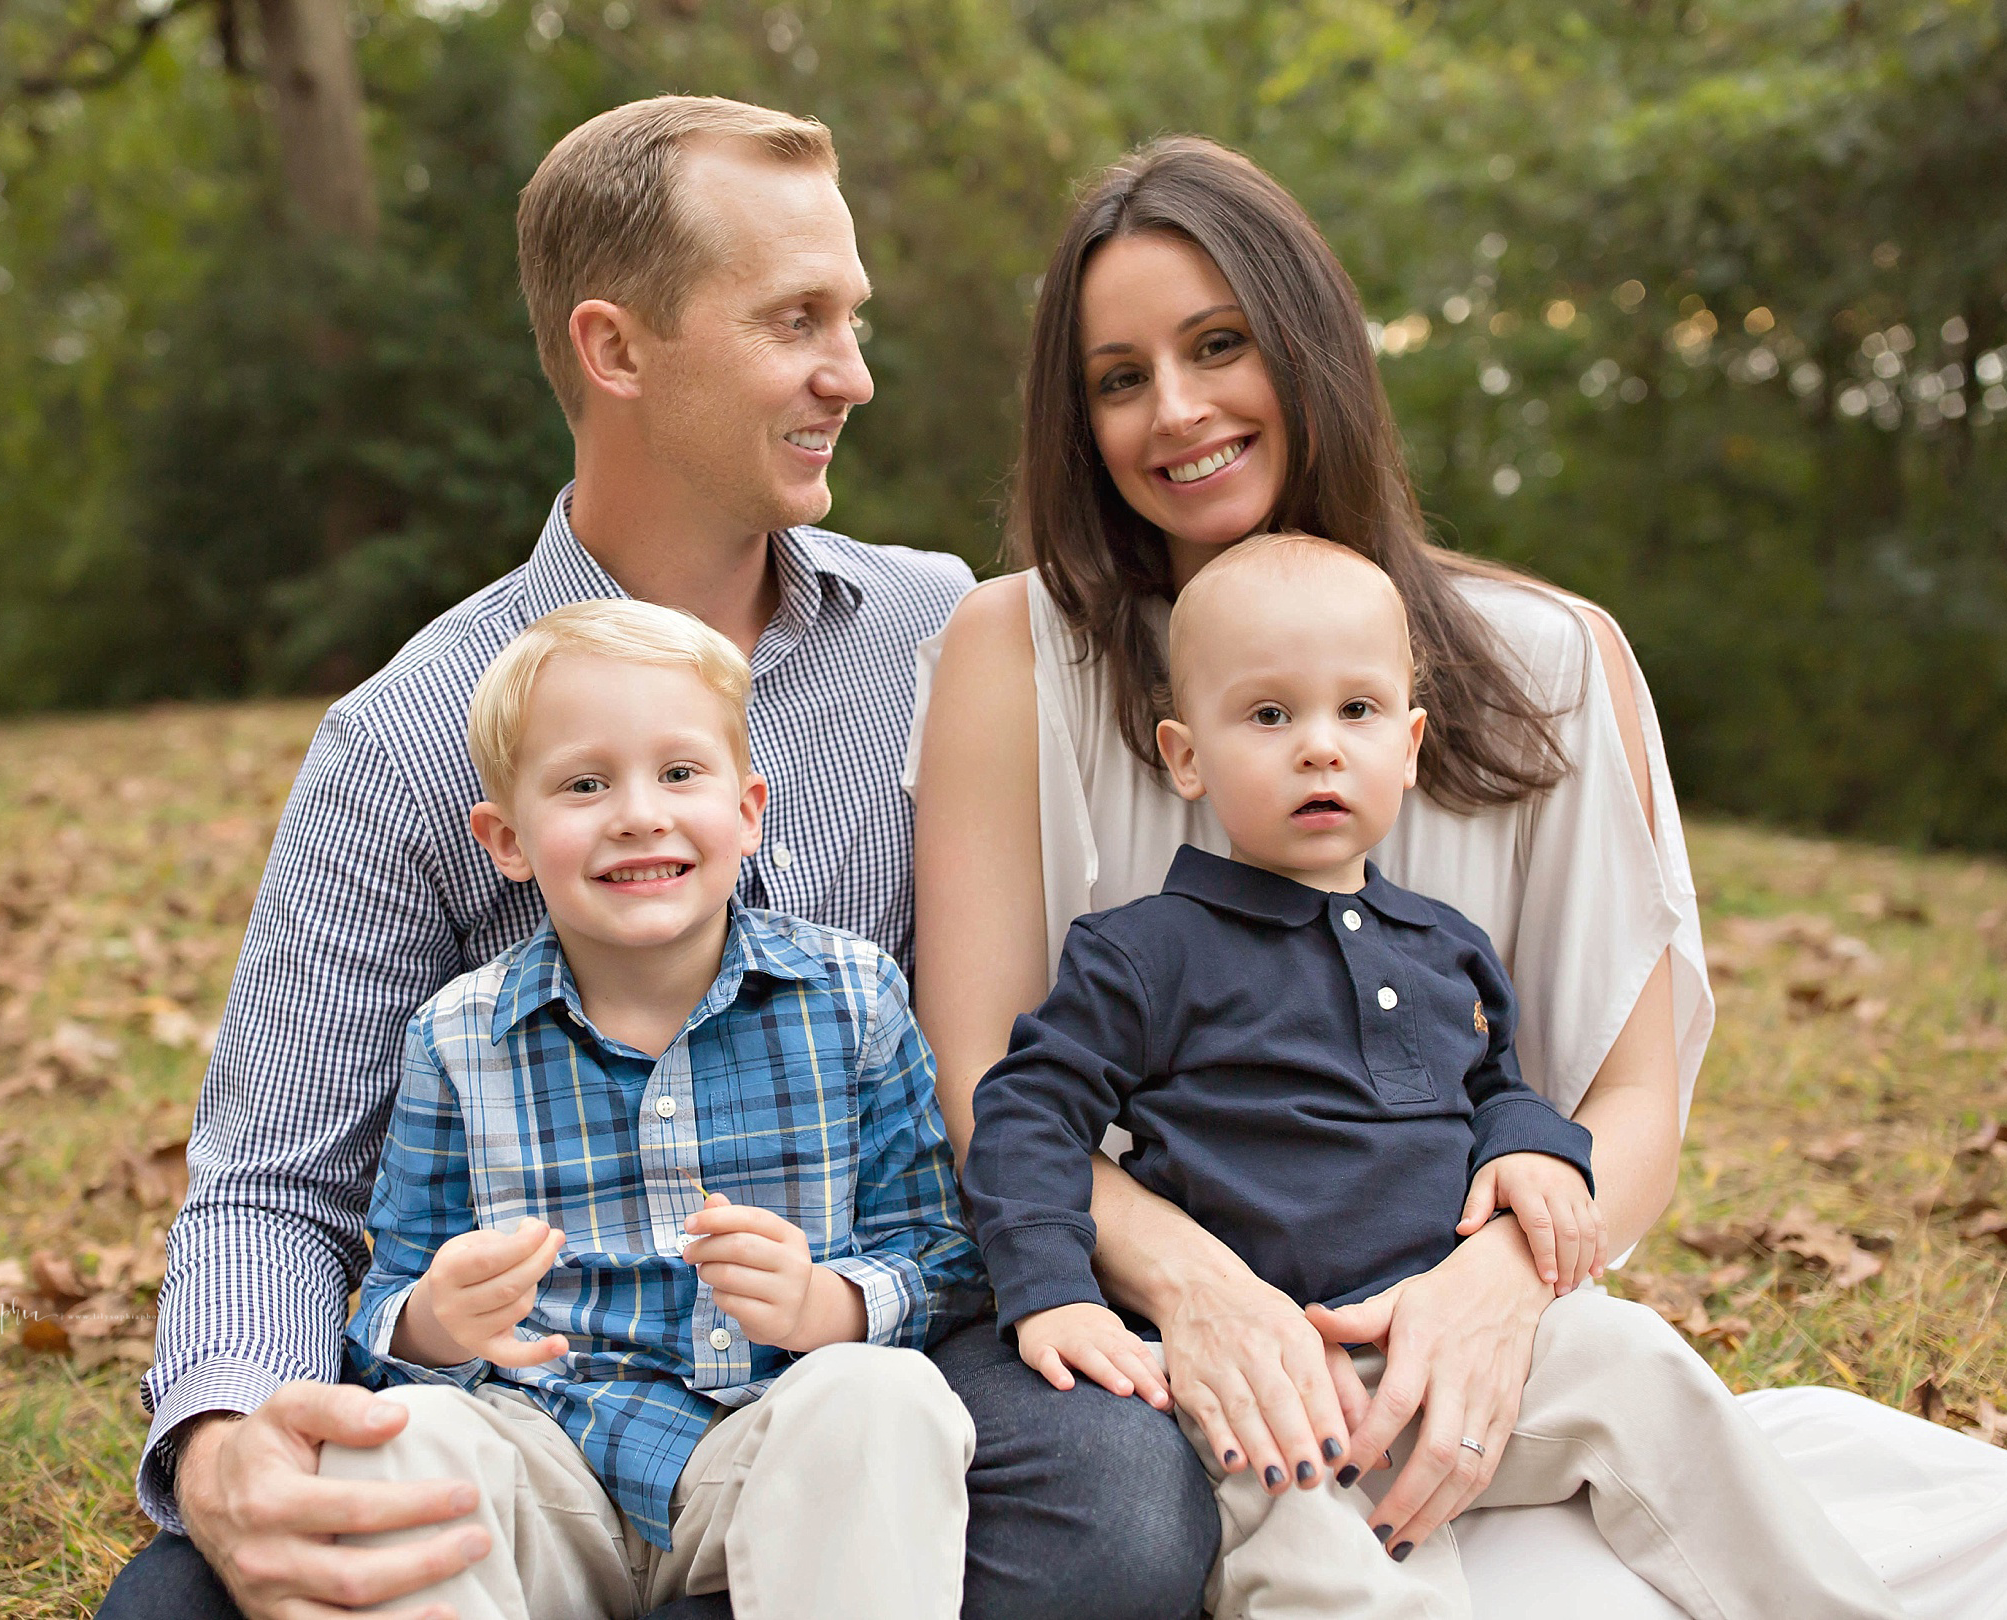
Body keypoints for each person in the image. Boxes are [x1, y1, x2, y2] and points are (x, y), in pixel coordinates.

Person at [911, 131, 2007, 1620]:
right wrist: (1199, 1292)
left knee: (1950, 1529)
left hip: (1471, 1322)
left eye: (1217, 345)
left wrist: (1503, 1281)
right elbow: (991, 1079)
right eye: (1118, 377)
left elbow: (1615, 1098)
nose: (1174, 409)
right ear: (1182, 750)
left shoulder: (1551, 664)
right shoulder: (1012, 651)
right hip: (1196, 1363)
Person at [98, 96, 1216, 1620]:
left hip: (856, 1371)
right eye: (796, 321)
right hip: (539, 1413)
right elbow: (277, 1183)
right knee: (178, 1608)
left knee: (1123, 1509)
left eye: (854, 318)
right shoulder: (413, 732)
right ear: (617, 351)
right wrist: (227, 1433)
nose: (854, 374)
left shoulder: (932, 633)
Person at [962, 535, 1910, 1619]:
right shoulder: (1143, 952)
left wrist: (1530, 1144)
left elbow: (1495, 1085)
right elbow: (1028, 1111)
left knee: (1638, 1361)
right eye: (1269, 717)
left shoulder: (1447, 946)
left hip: (1463, 1349)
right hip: (1284, 1379)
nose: (1320, 749)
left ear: (1410, 745)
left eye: (1356, 712)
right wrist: (1049, 1290)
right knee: (1328, 1578)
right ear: (1187, 757)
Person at [316, 599, 985, 1619]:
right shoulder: (458, 1038)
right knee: (397, 1445)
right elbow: (389, 1300)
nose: (639, 813)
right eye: (585, 784)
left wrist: (826, 1307)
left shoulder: (851, 998)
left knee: (885, 1402)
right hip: (546, 1456)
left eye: (680, 773)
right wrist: (440, 1320)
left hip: (766, 1451)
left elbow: (943, 1255)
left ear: (749, 808)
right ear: (507, 838)